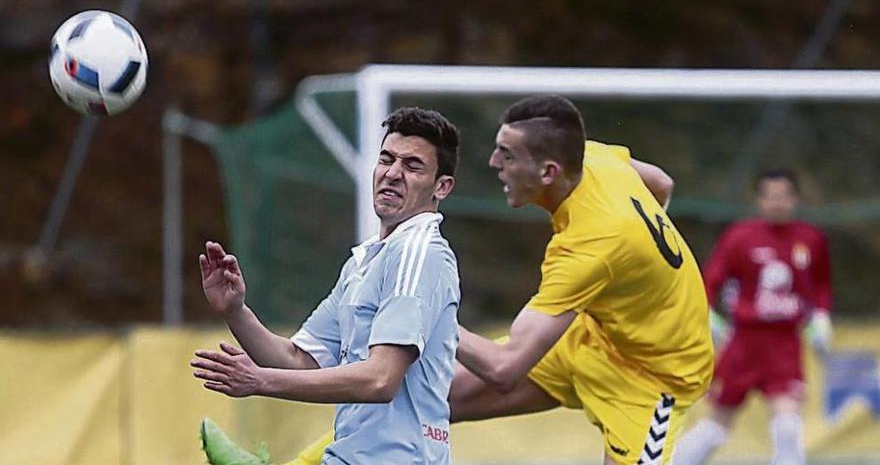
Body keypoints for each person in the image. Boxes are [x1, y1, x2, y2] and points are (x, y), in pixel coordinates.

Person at [205, 95, 714, 465]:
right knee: (429, 402)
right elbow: (660, 184)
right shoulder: (595, 159)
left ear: (549, 172)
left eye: (507, 157)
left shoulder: (587, 249)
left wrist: (428, 316)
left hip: (653, 376)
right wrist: (635, 277)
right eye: (499, 148)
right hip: (595, 336)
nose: (493, 164)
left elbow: (505, 367)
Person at [192, 106, 462, 465]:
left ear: (441, 186)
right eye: (386, 159)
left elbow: (382, 379)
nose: (393, 174)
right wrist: (236, 311)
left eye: (412, 166)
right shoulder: (364, 262)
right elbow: (299, 360)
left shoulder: (418, 251)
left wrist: (260, 381)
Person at [675, 169, 833, 465]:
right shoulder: (740, 236)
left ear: (795, 198)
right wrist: (707, 315)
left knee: (787, 425)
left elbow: (821, 284)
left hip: (785, 344)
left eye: (784, 196)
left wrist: (821, 317)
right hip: (744, 344)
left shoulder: (811, 239)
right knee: (717, 424)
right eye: (770, 196)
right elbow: (710, 280)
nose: (777, 203)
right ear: (760, 200)